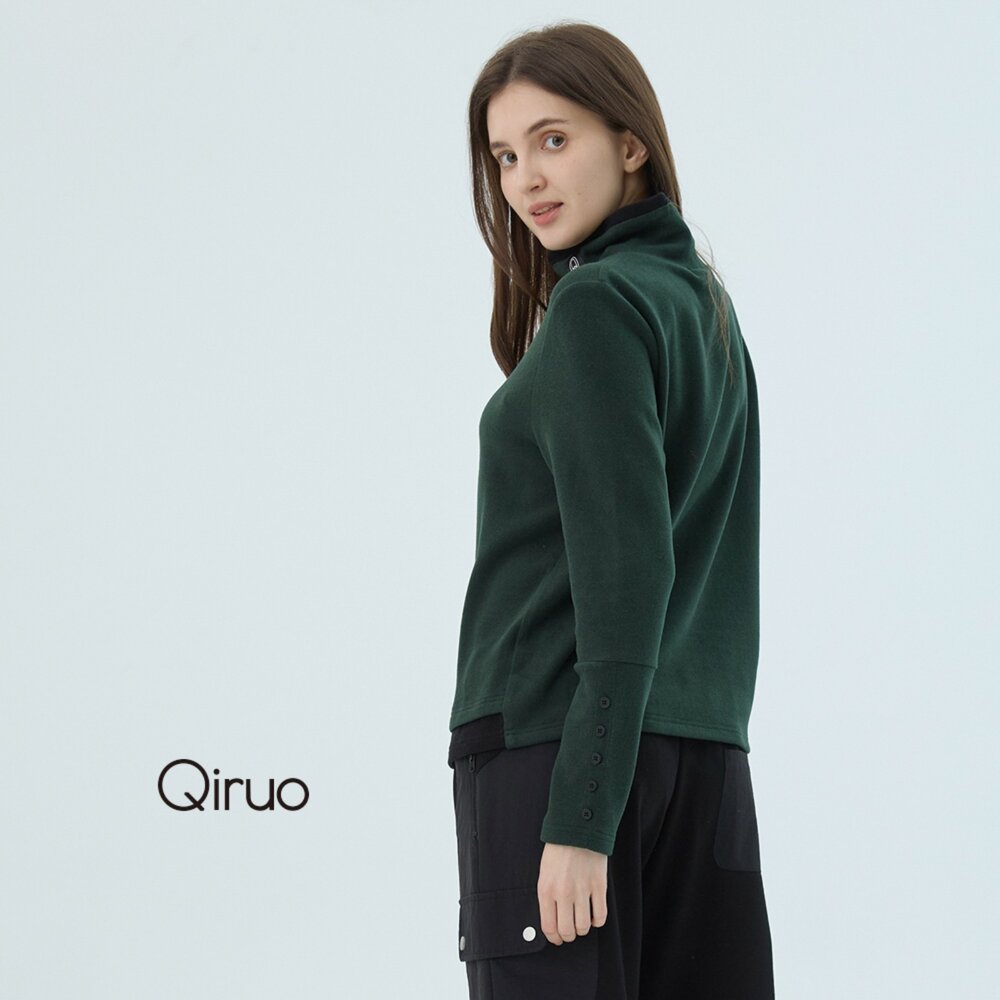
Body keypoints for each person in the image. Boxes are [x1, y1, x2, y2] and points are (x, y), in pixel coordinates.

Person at [446, 20, 775, 1000]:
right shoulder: (704, 308)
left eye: (553, 139)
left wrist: (581, 818)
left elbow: (628, 579)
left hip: (561, 749)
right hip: (702, 767)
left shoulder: (598, 308)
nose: (526, 179)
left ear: (630, 143)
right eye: (505, 155)